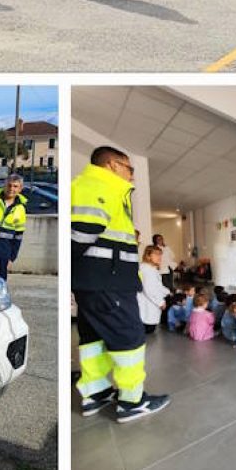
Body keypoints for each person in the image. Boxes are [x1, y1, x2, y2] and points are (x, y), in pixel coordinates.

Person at [72, 146, 170, 423]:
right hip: (108, 283)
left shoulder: (89, 186)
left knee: (94, 339)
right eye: (130, 168)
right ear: (113, 165)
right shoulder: (101, 186)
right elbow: (79, 236)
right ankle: (132, 401)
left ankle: (96, 393)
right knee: (129, 338)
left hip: (96, 282)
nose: (132, 175)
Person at [138, 245, 169, 333]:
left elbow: (157, 286)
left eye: (160, 254)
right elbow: (150, 290)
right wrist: (161, 302)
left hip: (147, 307)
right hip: (148, 308)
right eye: (156, 254)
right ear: (148, 256)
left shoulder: (148, 268)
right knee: (149, 328)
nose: (159, 257)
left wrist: (168, 291)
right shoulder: (148, 270)